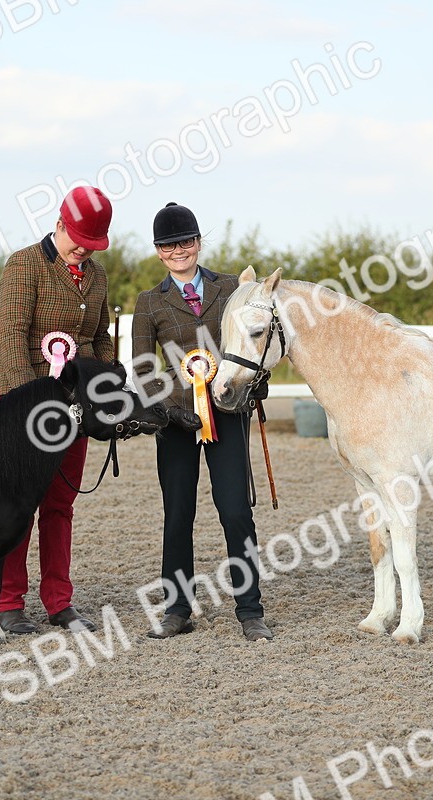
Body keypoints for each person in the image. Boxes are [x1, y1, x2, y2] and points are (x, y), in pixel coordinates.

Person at [132, 202, 273, 641]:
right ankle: (177, 608)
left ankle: (250, 610)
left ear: (198, 242)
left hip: (228, 412)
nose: (179, 251)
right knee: (178, 515)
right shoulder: (149, 302)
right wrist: (165, 408)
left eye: (186, 242)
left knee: (235, 512)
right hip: (177, 419)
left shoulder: (232, 287)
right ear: (159, 251)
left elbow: (257, 337)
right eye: (170, 245)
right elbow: (140, 368)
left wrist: (258, 381)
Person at [0, 185, 115, 634]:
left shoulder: (97, 276)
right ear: (58, 225)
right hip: (24, 398)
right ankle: (8, 601)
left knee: (61, 502)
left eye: (92, 245)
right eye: (78, 240)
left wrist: (107, 386)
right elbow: (12, 335)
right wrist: (25, 406)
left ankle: (59, 601)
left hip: (74, 405)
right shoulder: (24, 264)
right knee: (18, 502)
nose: (83, 252)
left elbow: (98, 338)